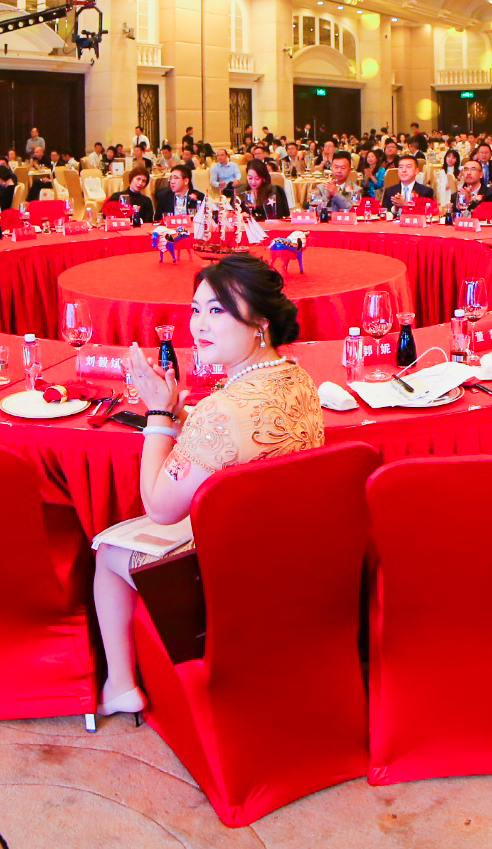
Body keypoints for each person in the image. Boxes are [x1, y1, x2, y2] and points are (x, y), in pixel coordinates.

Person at [90, 252, 323, 718]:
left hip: (231, 584)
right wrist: (181, 415)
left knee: (108, 549)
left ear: (260, 322)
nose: (199, 325)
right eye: (196, 309)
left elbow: (160, 507)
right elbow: (233, 442)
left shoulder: (220, 412)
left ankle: (120, 685)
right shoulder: (296, 378)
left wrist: (158, 414)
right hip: (297, 562)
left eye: (217, 310)